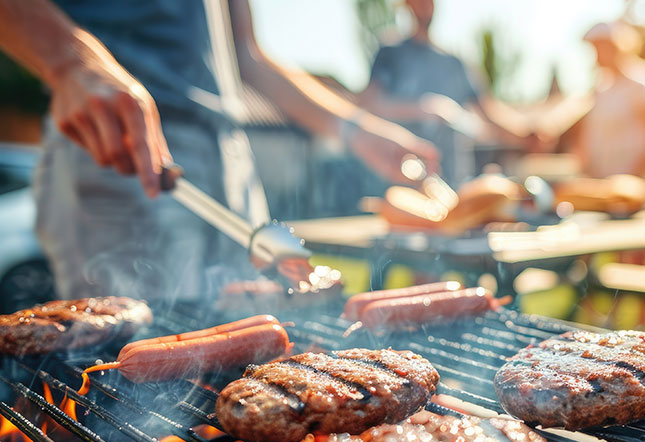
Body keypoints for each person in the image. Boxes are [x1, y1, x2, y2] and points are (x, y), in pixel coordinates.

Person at [0, 0, 438, 301]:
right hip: (120, 141)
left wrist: (357, 130)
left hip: (230, 150)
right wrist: (69, 60)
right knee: (127, 380)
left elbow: (247, 56)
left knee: (253, 327)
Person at [357, 0, 529, 185]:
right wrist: (425, 109)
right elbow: (369, 104)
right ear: (406, 4)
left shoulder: (455, 63)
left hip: (451, 186)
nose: (425, 4)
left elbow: (490, 112)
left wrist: (527, 133)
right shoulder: (391, 54)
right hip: (401, 184)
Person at [572, 21, 645, 179]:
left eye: (600, 48)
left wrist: (634, 174)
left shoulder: (643, 80)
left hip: (637, 184)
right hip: (604, 185)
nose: (596, 56)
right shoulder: (601, 88)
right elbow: (588, 138)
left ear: (616, 47)